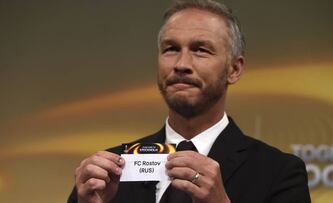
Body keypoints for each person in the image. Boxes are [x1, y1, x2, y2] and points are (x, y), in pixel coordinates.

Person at [68, 0, 311, 203]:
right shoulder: (107, 173)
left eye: (201, 50)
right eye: (171, 49)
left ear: (234, 69)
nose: (181, 64)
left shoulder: (280, 173)